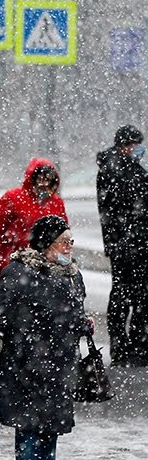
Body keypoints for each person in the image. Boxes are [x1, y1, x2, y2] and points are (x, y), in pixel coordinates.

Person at [0, 215, 90, 460]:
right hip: (25, 364)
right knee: (28, 427)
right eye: (63, 242)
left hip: (59, 365)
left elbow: (73, 312)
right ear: (46, 244)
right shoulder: (20, 272)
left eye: (70, 242)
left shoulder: (72, 274)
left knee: (49, 429)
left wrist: (82, 323)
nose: (69, 247)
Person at [96, 124, 148, 366]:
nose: (137, 148)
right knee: (123, 295)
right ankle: (123, 346)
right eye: (133, 144)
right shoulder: (112, 170)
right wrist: (119, 243)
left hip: (138, 243)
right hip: (125, 245)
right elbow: (112, 211)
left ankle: (138, 344)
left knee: (140, 296)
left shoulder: (134, 169)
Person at [0, 158, 67, 290]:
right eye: (40, 179)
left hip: (47, 269)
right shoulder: (12, 198)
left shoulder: (56, 203)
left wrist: (64, 263)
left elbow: (64, 236)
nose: (44, 184)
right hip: (14, 267)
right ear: (32, 179)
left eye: (48, 179)